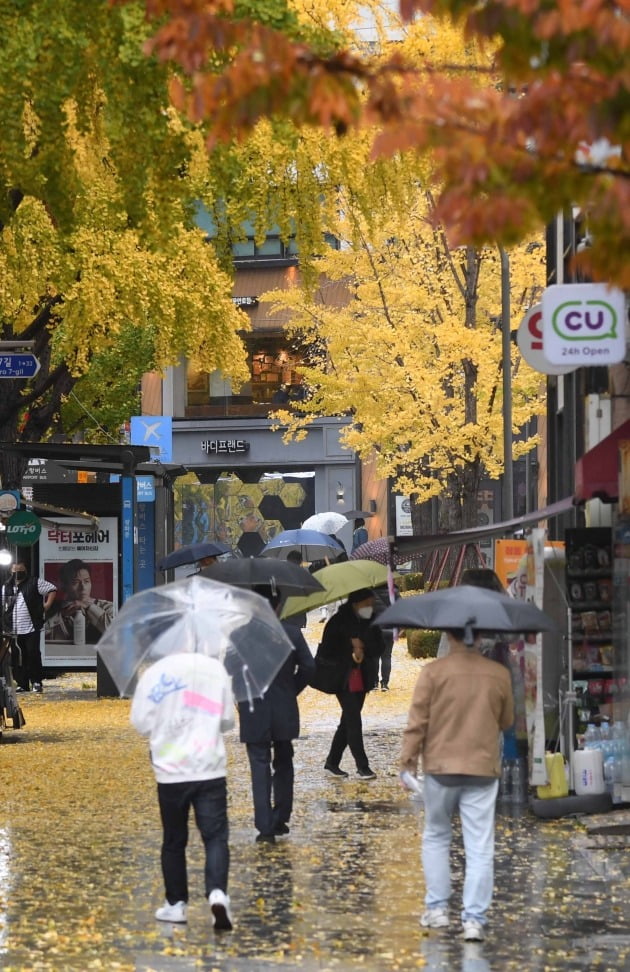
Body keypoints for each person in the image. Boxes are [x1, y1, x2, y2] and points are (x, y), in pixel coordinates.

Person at [400, 627, 514, 942]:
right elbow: (506, 721)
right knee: (479, 844)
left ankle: (437, 908)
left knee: (436, 836)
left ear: (448, 637)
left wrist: (407, 762)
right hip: (481, 768)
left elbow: (417, 722)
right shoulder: (498, 674)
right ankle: (474, 919)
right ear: (480, 638)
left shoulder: (432, 673)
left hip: (440, 768)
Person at [130, 651, 235, 930]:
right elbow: (227, 721)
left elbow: (140, 723)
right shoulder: (215, 670)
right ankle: (217, 894)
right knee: (215, 837)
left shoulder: (154, 674)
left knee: (174, 839)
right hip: (209, 767)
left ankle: (176, 905)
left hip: (171, 769)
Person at [235, 585, 315, 844]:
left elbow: (230, 670)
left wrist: (242, 693)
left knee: (259, 765)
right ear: (278, 606)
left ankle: (264, 827)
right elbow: (309, 667)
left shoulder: (240, 635)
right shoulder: (291, 633)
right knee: (284, 762)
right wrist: (291, 689)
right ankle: (281, 817)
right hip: (283, 707)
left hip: (253, 708)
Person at [317, 588, 384, 780]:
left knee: (347, 721)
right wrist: (349, 645)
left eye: (371, 604)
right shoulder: (338, 622)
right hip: (342, 678)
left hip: (363, 677)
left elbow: (380, 646)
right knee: (354, 719)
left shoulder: (371, 621)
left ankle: (332, 762)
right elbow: (327, 650)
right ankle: (362, 766)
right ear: (355, 603)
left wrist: (364, 645)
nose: (370, 608)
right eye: (366, 604)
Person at [2, 561, 56, 693]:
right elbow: (4, 604)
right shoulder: (6, 587)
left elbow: (52, 589)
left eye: (20, 571)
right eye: (15, 572)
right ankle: (22, 683)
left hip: (31, 626)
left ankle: (36, 682)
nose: (17, 574)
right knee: (17, 656)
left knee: (33, 654)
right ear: (11, 572)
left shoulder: (34, 582)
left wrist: (47, 605)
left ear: (25, 571)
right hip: (14, 628)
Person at [45, 559, 114, 644]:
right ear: (64, 586)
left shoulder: (107, 606)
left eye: (87, 581)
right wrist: (61, 615)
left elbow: (116, 632)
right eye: (75, 582)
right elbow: (36, 634)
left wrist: (88, 607)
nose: (83, 587)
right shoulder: (52, 608)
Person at [372, 581, 399, 691]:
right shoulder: (395, 593)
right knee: (386, 656)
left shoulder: (370, 593)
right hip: (390, 628)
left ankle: (374, 683)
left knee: (374, 657)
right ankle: (385, 683)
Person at [284, 551, 307, 629]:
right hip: (298, 613)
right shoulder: (304, 575)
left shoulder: (282, 573)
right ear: (300, 561)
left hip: (286, 613)